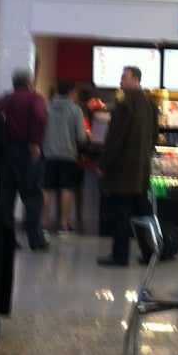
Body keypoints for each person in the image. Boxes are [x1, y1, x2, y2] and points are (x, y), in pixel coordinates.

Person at [96, 65, 159, 266]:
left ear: (135, 80)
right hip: (141, 170)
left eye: (124, 77)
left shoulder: (125, 102)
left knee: (120, 213)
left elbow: (115, 136)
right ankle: (151, 251)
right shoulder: (149, 103)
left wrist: (103, 163)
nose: (121, 81)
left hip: (123, 170)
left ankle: (120, 254)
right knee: (143, 211)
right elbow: (154, 134)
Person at [0, 67, 49, 251]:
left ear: (14, 83)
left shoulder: (2, 100)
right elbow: (40, 116)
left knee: (5, 199)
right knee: (32, 198)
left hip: (4, 154)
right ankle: (36, 240)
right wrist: (35, 142)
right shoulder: (35, 98)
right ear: (30, 83)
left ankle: (7, 240)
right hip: (27, 152)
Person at [41, 80, 87, 235]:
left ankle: (43, 223)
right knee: (66, 189)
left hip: (48, 154)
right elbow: (81, 137)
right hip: (68, 155)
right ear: (70, 92)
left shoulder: (47, 107)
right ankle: (64, 224)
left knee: (47, 189)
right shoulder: (76, 110)